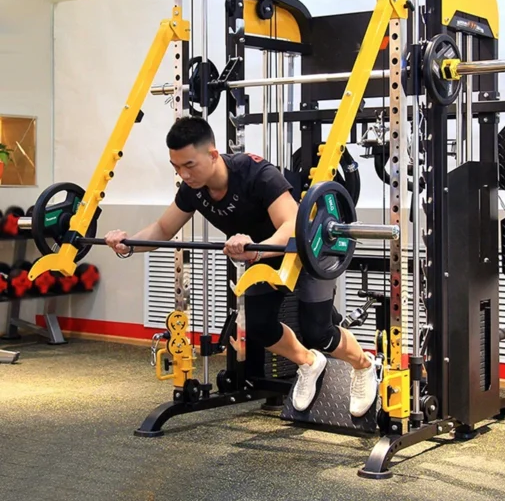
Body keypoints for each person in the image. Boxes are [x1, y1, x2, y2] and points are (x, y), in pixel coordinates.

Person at [105, 116, 377, 417]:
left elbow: (290, 223)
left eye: (189, 165)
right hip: (262, 255)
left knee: (319, 332)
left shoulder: (256, 173)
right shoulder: (193, 190)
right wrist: (128, 244)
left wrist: (254, 248)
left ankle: (363, 366)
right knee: (260, 326)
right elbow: (162, 230)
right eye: (176, 167)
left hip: (308, 247)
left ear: (212, 154)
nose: (183, 174)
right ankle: (309, 363)